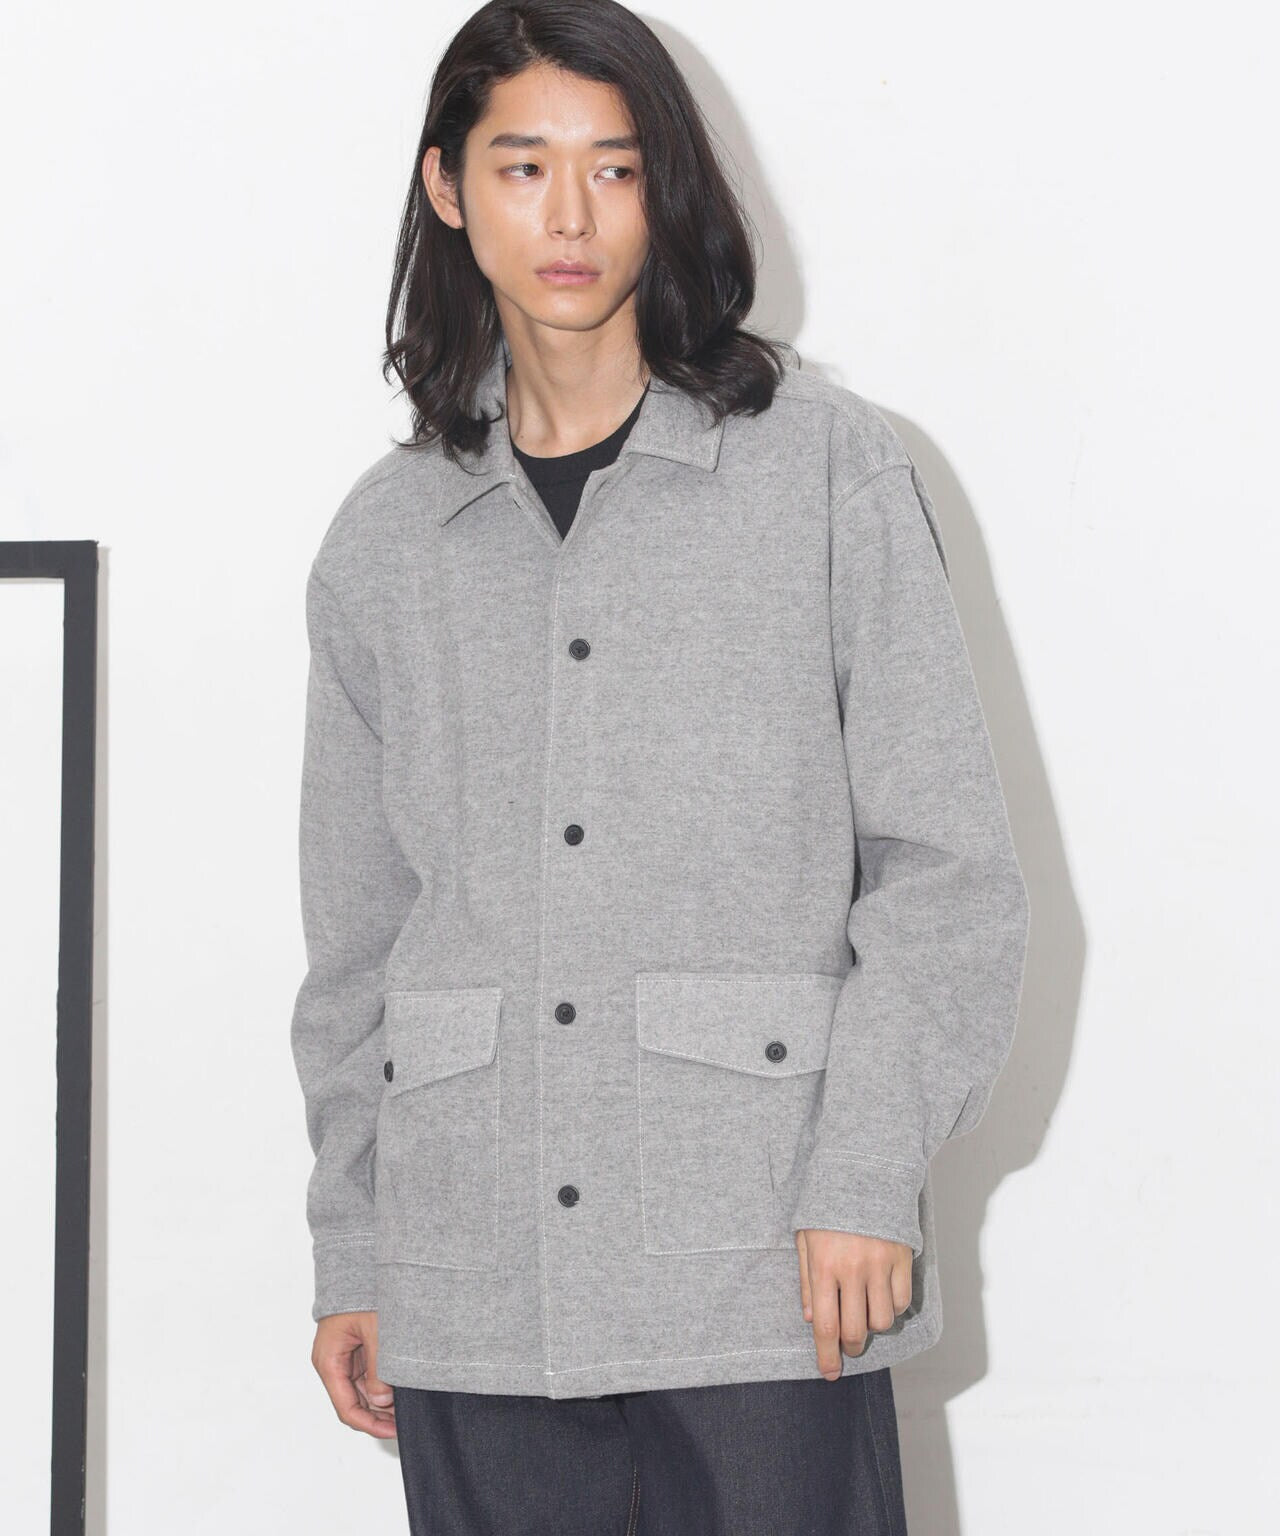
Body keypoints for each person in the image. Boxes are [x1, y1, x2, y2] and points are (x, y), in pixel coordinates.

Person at [289, 3, 1030, 1532]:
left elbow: (948, 875)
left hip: (764, 1276)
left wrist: (865, 1175)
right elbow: (356, 941)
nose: (569, 216)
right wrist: (355, 1250)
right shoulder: (384, 541)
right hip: (474, 1284)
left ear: (664, 188)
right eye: (523, 166)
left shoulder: (825, 468)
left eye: (614, 169)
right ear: (447, 187)